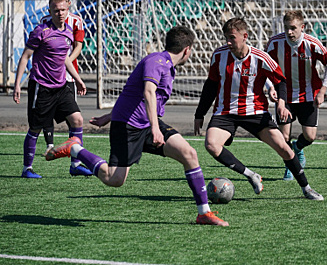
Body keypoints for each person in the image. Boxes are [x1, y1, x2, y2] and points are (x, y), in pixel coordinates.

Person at [46, 26, 229, 226]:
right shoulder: (156, 61)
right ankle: (75, 148)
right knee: (114, 179)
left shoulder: (167, 65)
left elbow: (131, 94)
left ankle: (204, 213)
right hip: (129, 127)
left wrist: (108, 116)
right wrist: (155, 128)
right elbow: (147, 92)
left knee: (189, 154)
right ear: (188, 50)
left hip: (147, 124)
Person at [193, 17, 324, 201]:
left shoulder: (260, 58)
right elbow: (211, 86)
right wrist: (200, 113)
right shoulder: (219, 55)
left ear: (245, 36)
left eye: (232, 38)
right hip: (226, 112)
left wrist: (281, 102)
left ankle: (307, 188)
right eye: (226, 38)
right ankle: (250, 175)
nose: (228, 42)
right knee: (211, 145)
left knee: (284, 149)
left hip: (255, 112)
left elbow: (281, 81)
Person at [13, 0, 87, 179]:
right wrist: (17, 85)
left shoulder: (69, 31)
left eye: (63, 10)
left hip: (61, 87)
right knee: (35, 128)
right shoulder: (41, 31)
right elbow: (25, 57)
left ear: (67, 9)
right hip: (42, 87)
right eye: (56, 10)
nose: (60, 13)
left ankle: (75, 165)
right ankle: (27, 169)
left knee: (77, 120)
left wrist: (78, 79)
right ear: (50, 12)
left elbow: (65, 60)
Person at [265, 10, 327, 181]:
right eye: (287, 28)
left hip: (308, 95)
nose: (289, 32)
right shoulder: (275, 43)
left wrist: (322, 91)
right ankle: (291, 166)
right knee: (284, 137)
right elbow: (264, 67)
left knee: (310, 137)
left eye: (293, 28)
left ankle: (297, 148)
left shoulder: (312, 44)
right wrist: (270, 87)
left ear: (302, 27)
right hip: (284, 97)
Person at [39, 0, 92, 176]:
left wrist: (66, 60)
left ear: (69, 4)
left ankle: (76, 163)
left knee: (75, 119)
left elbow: (78, 46)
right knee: (40, 119)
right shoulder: (44, 24)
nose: (61, 9)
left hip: (68, 76)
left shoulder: (76, 21)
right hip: (47, 78)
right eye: (57, 6)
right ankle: (46, 149)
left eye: (65, 3)